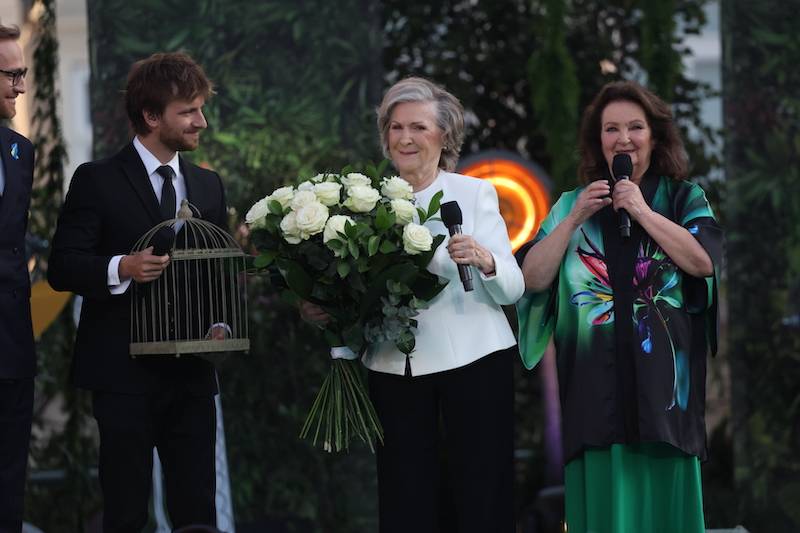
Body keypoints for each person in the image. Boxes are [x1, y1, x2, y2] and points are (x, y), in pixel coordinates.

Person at [303, 77, 524, 532]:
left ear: (445, 136)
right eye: (396, 127)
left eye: (419, 127)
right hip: (394, 367)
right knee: (405, 500)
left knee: (482, 495)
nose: (405, 138)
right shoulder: (361, 201)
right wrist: (325, 307)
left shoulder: (473, 193)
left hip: (475, 360)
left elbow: (513, 289)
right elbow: (351, 291)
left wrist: (485, 261)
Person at [517, 80, 722, 533]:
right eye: (611, 129)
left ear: (655, 136)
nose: (623, 138)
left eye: (635, 127)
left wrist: (643, 212)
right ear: (599, 140)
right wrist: (572, 222)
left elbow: (703, 262)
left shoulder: (683, 199)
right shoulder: (572, 205)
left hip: (665, 398)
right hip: (594, 399)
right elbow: (531, 279)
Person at [48, 52, 228, 531]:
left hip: (191, 373)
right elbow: (62, 267)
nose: (201, 121)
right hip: (121, 374)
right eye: (188, 111)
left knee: (197, 509)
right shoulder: (96, 180)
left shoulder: (209, 186)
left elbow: (219, 277)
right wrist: (122, 266)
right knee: (126, 509)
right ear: (151, 116)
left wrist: (221, 326)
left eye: (200, 109)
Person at [0, 22, 35, 533]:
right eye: (13, 74)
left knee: (8, 486)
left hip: (11, 347)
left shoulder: (20, 151)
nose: (21, 86)